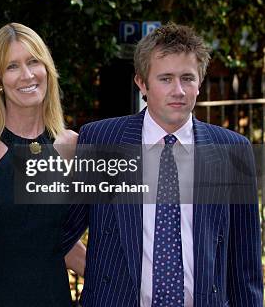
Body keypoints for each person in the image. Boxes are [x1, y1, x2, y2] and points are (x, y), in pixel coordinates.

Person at [68, 23, 263, 306]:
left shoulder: (232, 150)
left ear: (200, 82)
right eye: (166, 79)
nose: (179, 90)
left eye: (187, 78)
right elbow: (59, 231)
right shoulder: (101, 140)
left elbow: (245, 268)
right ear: (141, 83)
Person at [0, 23, 85, 306]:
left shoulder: (71, 147)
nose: (27, 75)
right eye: (12, 66)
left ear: (47, 69)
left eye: (33, 61)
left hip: (53, 297)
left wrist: (133, 284)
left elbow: (59, 241)